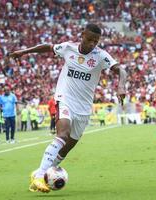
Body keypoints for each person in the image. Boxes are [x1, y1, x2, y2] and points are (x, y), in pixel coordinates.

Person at [9, 23, 126, 193]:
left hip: (84, 108)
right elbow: (48, 47)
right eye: (90, 39)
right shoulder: (67, 48)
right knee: (62, 134)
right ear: (82, 34)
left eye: (96, 41)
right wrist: (24, 52)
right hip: (65, 99)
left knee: (68, 145)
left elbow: (121, 70)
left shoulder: (101, 56)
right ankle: (40, 176)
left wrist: (121, 86)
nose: (93, 43)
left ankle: (48, 170)